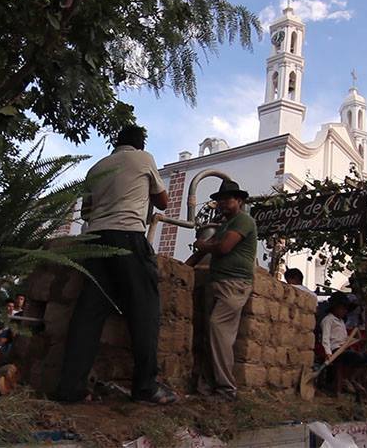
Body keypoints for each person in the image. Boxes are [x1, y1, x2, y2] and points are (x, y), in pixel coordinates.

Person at [55, 125, 176, 405]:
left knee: (89, 313)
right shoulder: (143, 159)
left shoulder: (96, 168)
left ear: (116, 142)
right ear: (139, 144)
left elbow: (86, 210)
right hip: (127, 236)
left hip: (96, 241)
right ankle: (145, 387)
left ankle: (70, 388)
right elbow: (164, 202)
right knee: (145, 309)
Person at [185, 179, 257, 401]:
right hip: (217, 283)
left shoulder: (244, 221)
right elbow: (201, 253)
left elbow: (223, 247)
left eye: (228, 199)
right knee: (211, 334)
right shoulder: (225, 225)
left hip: (235, 284)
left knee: (219, 330)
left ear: (240, 201)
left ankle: (226, 390)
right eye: (221, 200)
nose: (224, 204)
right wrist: (182, 269)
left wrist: (203, 245)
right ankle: (207, 388)